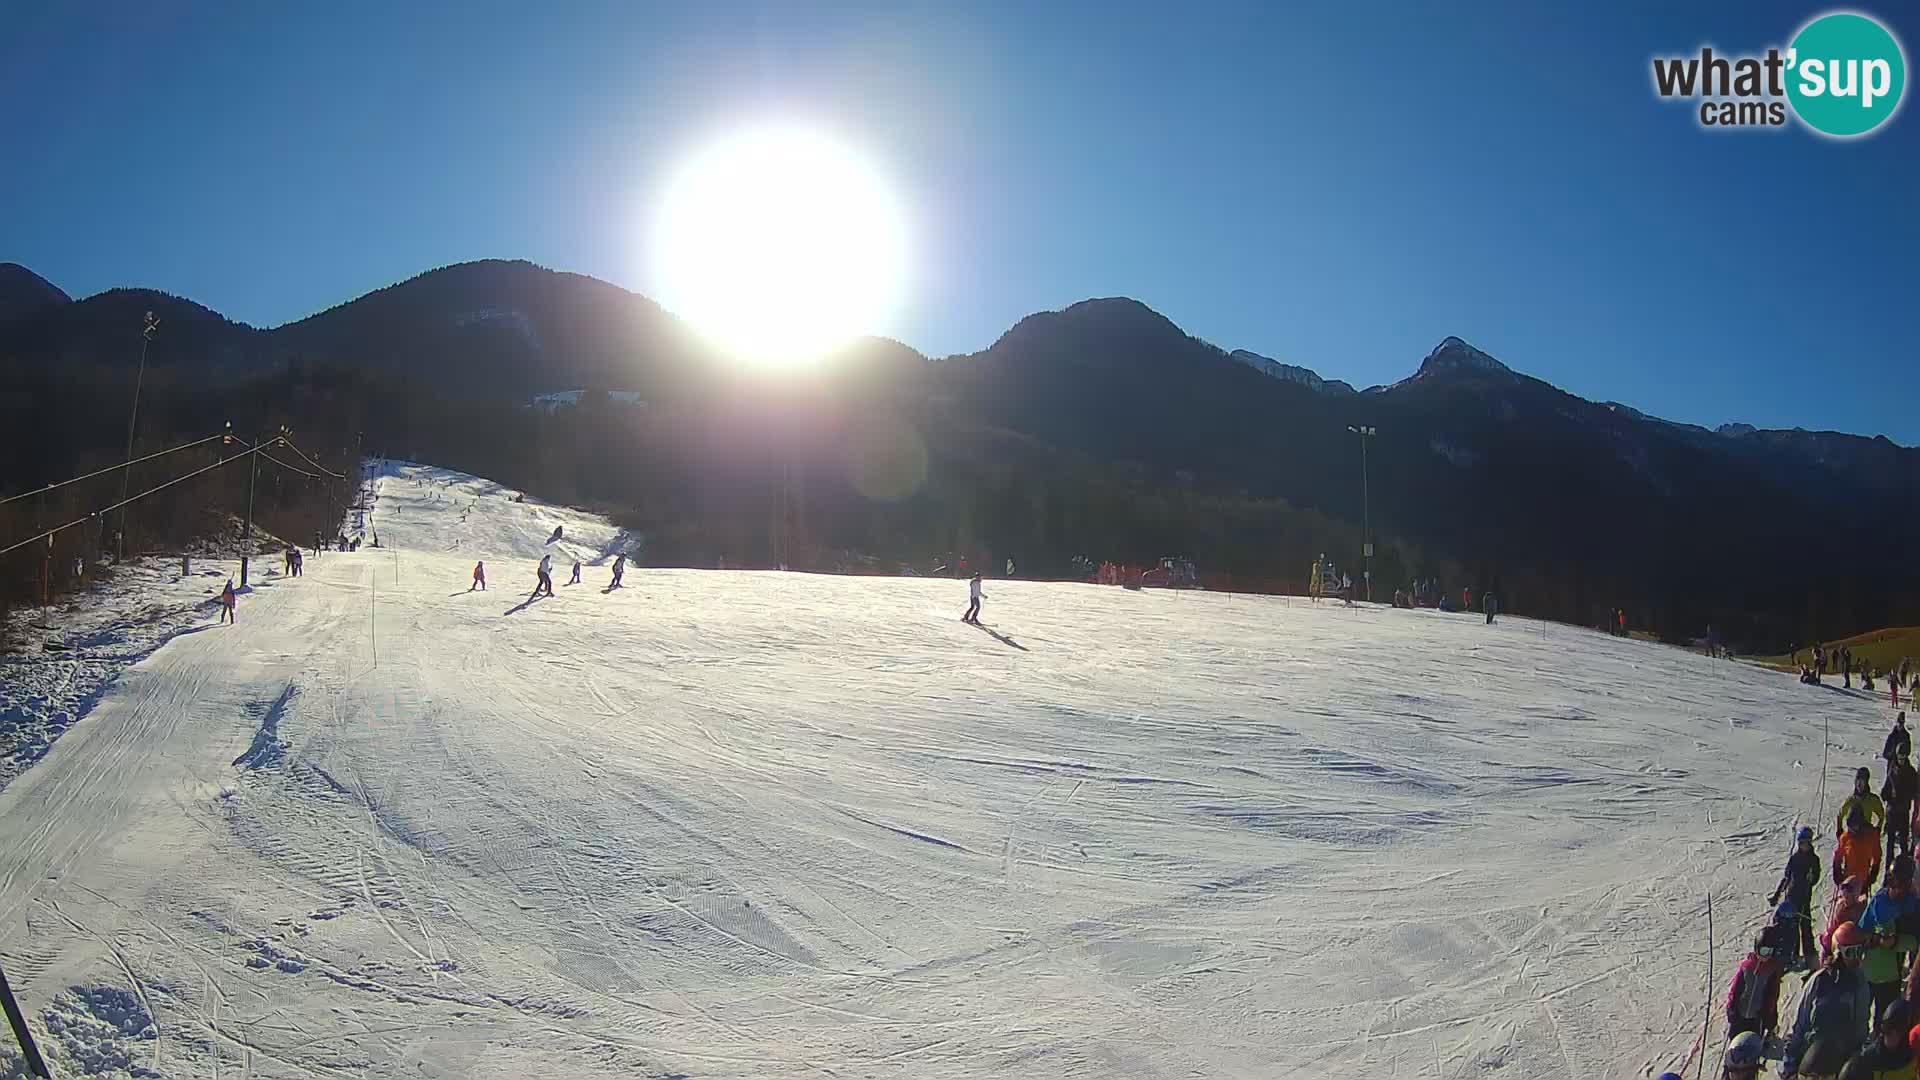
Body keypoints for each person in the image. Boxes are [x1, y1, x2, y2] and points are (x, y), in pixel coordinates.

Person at [1782, 920, 1873, 1079]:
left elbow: (1860, 1025)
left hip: (1839, 1062)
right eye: (1851, 953)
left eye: (1860, 952)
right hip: (1810, 1060)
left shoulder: (1859, 983)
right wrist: (1790, 1064)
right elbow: (1801, 1023)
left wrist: (1855, 1062)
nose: (1856, 959)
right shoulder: (1818, 981)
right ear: (1838, 952)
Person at [1858, 855, 1919, 1015]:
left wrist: (1894, 942)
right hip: (1869, 970)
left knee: (1884, 1019)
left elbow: (1914, 942)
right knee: (1860, 1014)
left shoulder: (1911, 906)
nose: (1895, 887)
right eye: (1892, 881)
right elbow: (1863, 928)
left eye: (1900, 883)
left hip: (1891, 975)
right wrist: (1873, 939)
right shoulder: (1880, 900)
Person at [1726, 926, 1786, 1043]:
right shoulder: (1746, 967)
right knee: (1735, 1042)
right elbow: (1735, 989)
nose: (1766, 956)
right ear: (1757, 948)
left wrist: (1770, 1019)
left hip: (1757, 1018)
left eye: (1770, 952)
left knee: (1752, 1043)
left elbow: (1772, 997)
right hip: (1740, 1015)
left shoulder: (1772, 972)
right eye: (1764, 951)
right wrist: (1731, 1008)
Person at [1776, 825, 1824, 968]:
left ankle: (1809, 955)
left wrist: (1812, 877)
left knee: (1805, 925)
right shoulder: (1795, 858)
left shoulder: (1813, 859)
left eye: (1806, 843)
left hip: (1804, 895)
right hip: (1791, 895)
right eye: (1801, 843)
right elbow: (1787, 876)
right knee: (1791, 926)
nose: (1803, 845)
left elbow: (1816, 876)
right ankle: (1793, 954)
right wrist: (1777, 894)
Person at [1838, 997, 1915, 1079]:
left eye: (1898, 1030)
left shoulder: (1913, 1057)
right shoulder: (1866, 1062)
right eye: (1888, 1028)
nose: (1892, 1035)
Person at [1837, 807, 1885, 891]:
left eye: (1854, 826)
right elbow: (1838, 855)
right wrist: (1836, 869)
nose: (1851, 829)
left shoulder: (1871, 835)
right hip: (1847, 879)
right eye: (1850, 826)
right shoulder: (1845, 837)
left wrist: (1873, 872)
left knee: (1860, 903)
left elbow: (1877, 856)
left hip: (1863, 880)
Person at [1887, 751, 1919, 864]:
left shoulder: (1910, 772)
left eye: (1903, 757)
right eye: (1899, 757)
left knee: (1903, 841)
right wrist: (1887, 796)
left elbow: (1914, 790)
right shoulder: (1892, 768)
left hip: (1903, 811)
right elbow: (1887, 787)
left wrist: (1906, 797)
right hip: (1892, 810)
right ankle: (1888, 871)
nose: (1901, 759)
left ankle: (1904, 868)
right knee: (1890, 842)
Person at [1840, 768, 1891, 839]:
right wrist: (1839, 832)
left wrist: (1877, 830)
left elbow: (1881, 815)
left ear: (1866, 782)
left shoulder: (1872, 799)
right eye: (1857, 780)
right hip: (1852, 837)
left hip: (1866, 837)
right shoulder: (1851, 800)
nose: (1859, 784)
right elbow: (1840, 815)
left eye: (1862, 780)